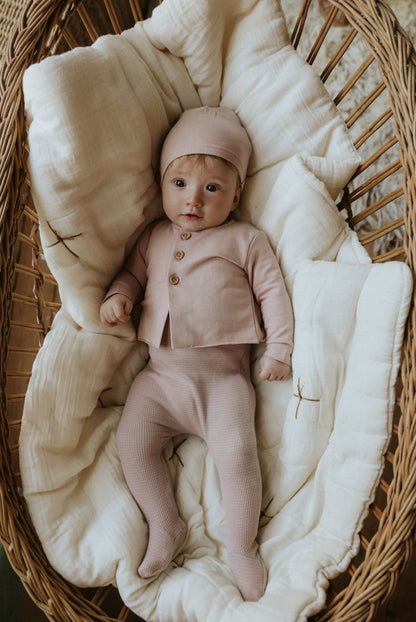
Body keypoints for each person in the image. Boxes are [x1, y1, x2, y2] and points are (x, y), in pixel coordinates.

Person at [100, 106, 294, 601]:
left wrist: (280, 349)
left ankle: (241, 547)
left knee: (237, 454)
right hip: (160, 380)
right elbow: (131, 276)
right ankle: (165, 524)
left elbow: (273, 292)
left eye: (212, 188)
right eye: (180, 183)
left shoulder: (245, 240)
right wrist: (118, 298)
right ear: (162, 184)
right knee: (132, 441)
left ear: (236, 195)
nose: (193, 199)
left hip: (224, 382)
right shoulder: (152, 238)